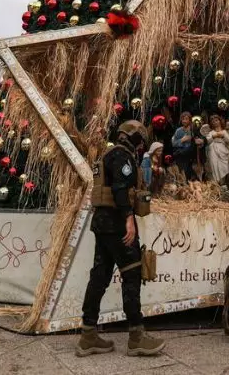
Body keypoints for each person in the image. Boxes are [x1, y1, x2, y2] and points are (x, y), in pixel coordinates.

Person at [78, 120, 165, 358]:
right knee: (132, 274)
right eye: (140, 138)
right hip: (117, 224)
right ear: (133, 136)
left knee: (100, 275)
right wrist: (129, 218)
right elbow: (119, 189)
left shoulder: (108, 154)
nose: (141, 143)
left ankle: (88, 335)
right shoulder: (122, 155)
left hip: (103, 224)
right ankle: (136, 337)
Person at [202, 114, 229, 183]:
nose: (215, 122)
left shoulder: (224, 131)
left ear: (220, 121)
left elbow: (228, 140)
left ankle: (222, 182)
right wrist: (213, 136)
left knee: (223, 167)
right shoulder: (211, 132)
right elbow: (208, 141)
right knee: (214, 165)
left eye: (216, 120)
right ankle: (215, 182)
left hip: (222, 149)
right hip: (213, 149)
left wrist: (223, 135)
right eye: (213, 121)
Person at [170, 111, 199, 181]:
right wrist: (182, 140)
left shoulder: (194, 130)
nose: (184, 121)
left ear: (190, 120)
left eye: (186, 119)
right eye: (183, 119)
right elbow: (173, 143)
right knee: (183, 174)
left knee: (192, 176)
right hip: (181, 156)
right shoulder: (178, 131)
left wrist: (199, 141)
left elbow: (199, 138)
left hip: (192, 156)